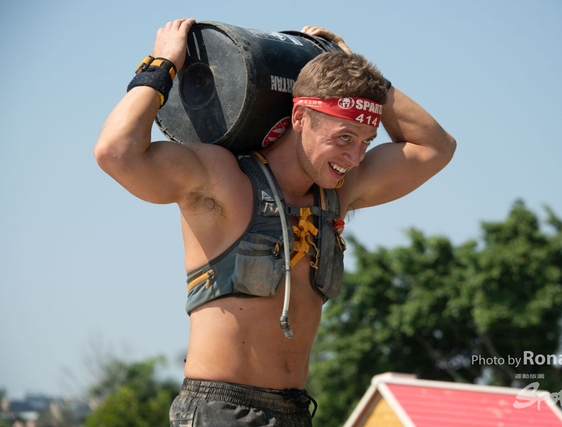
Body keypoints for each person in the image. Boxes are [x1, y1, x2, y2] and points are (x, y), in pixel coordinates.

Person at [94, 18, 456, 427]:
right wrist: (162, 65)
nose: (355, 157)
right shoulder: (223, 180)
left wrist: (363, 74)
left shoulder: (337, 193)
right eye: (343, 137)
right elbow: (116, 152)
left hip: (295, 412)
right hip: (220, 412)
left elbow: (436, 147)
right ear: (300, 117)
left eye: (365, 142)